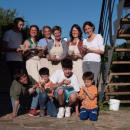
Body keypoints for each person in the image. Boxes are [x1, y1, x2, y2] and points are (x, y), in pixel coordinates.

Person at [82, 21, 104, 86]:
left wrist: (90, 50)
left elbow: (102, 51)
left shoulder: (98, 36)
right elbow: (83, 54)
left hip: (95, 61)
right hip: (85, 61)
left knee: (93, 81)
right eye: (86, 29)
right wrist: (83, 50)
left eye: (89, 28)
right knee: (86, 81)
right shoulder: (85, 39)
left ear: (92, 27)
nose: (87, 30)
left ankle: (94, 96)